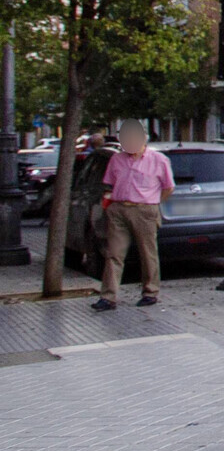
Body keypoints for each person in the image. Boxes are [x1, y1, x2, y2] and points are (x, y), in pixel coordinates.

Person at [93, 122, 175, 311]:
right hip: (119, 209)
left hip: (145, 210)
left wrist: (153, 202)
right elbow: (109, 184)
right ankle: (108, 297)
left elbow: (168, 187)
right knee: (114, 254)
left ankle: (150, 292)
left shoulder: (158, 160)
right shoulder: (116, 159)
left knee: (147, 253)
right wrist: (109, 203)